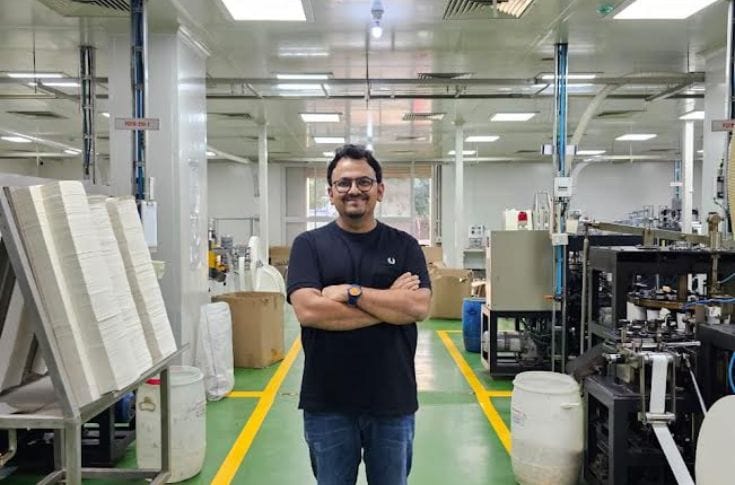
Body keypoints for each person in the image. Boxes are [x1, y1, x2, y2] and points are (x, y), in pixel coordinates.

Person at [287, 144, 432, 485]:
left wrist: (351, 293)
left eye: (364, 182)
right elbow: (308, 311)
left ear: (380, 190)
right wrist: (391, 304)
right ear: (330, 193)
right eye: (344, 183)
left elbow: (418, 307)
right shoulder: (308, 245)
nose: (354, 190)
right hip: (328, 403)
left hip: (392, 400)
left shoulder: (405, 245)